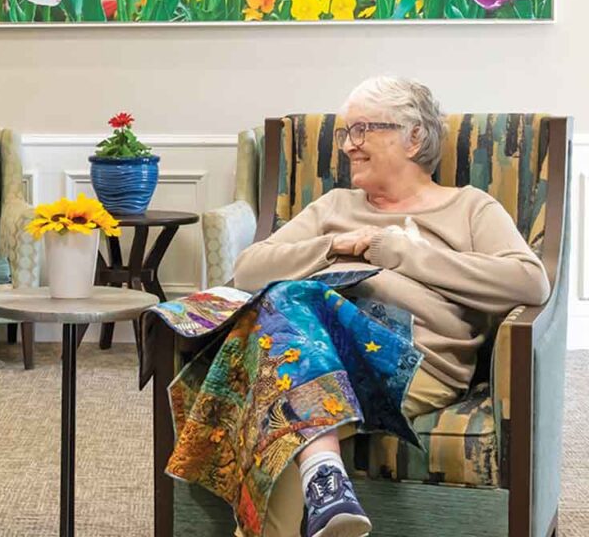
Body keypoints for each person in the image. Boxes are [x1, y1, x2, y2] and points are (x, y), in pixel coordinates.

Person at [230, 76, 550, 536]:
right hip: (314, 352)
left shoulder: (468, 208)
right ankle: (326, 483)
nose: (347, 146)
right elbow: (249, 268)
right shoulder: (334, 206)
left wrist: (396, 251)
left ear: (413, 136)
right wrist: (335, 245)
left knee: (276, 389)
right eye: (344, 134)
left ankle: (322, 474)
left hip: (413, 358)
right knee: (285, 339)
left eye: (362, 130)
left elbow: (529, 280)